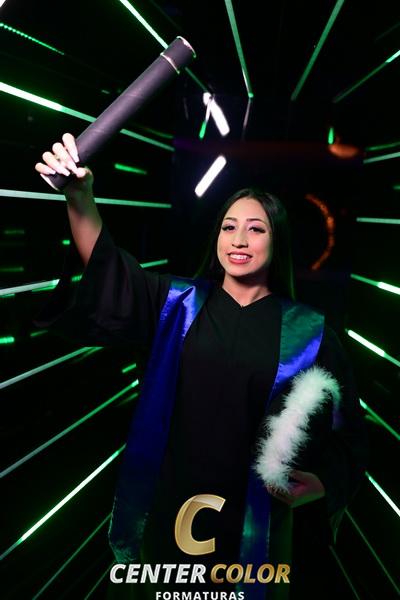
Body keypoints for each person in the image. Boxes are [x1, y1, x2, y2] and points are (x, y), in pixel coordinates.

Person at [34, 134, 368, 599]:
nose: (239, 239)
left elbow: (349, 430)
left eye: (256, 229)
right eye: (229, 227)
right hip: (167, 506)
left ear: (278, 240)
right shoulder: (176, 303)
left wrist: (323, 482)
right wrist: (79, 195)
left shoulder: (309, 332)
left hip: (253, 524)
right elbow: (107, 269)